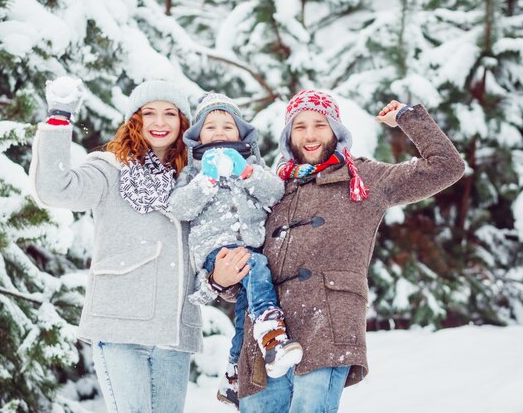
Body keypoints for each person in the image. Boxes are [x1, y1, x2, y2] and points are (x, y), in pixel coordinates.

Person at [210, 89, 465, 413]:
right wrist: (221, 280)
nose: (310, 135)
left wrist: (407, 117)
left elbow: (447, 166)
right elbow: (249, 271)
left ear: (335, 129)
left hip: (327, 326)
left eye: (319, 124)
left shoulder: (365, 177)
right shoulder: (272, 187)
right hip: (265, 342)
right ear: (289, 136)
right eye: (299, 127)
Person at [29, 77, 205, 413]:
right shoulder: (109, 168)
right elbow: (54, 189)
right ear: (135, 120)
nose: (159, 122)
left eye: (170, 113)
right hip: (120, 324)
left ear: (183, 122)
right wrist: (58, 118)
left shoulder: (195, 178)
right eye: (149, 113)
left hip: (174, 333)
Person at [169, 93, 303, 407]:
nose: (219, 132)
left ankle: (232, 377)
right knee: (255, 267)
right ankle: (272, 337)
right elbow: (180, 208)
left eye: (227, 126)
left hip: (252, 246)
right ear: (198, 136)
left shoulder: (253, 165)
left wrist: (246, 173)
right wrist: (208, 180)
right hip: (217, 251)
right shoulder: (193, 171)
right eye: (210, 126)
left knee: (245, 315)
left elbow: (275, 192)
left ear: (241, 133)